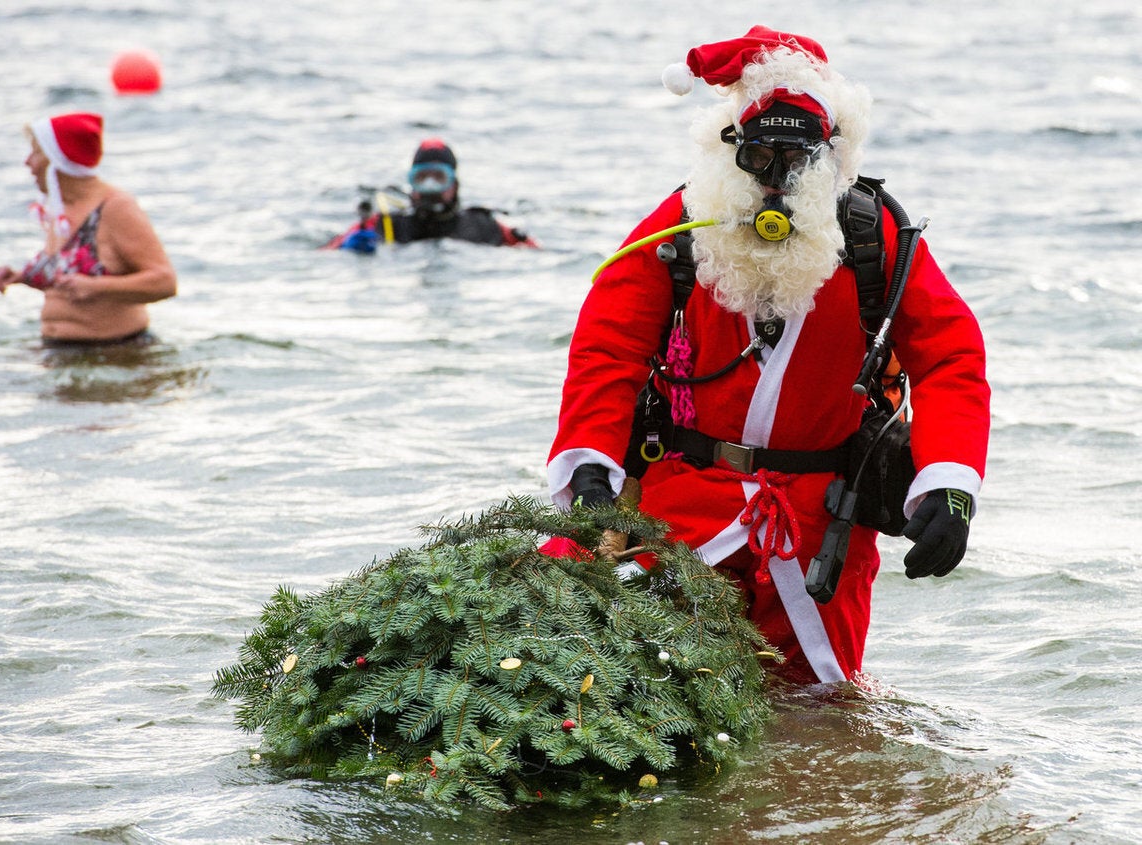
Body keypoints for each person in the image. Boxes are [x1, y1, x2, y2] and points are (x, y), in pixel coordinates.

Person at [547, 27, 991, 686]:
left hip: (818, 526)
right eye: (762, 155)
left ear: (830, 153)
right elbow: (607, 350)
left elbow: (950, 355)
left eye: (799, 155)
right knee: (613, 675)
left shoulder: (876, 240)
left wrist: (950, 484)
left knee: (822, 715)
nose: (779, 177)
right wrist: (589, 469)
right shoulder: (679, 231)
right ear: (733, 151)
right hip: (680, 506)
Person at [0, 112, 177, 344]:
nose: (27, 162)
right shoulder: (60, 208)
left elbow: (165, 281)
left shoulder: (116, 207)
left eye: (36, 152)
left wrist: (97, 287)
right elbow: (68, 279)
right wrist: (24, 277)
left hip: (116, 355)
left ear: (58, 160)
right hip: (60, 353)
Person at [323, 138, 537, 252]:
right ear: (411, 182)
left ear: (454, 183)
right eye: (422, 177)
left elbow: (537, 253)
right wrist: (348, 247)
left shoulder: (485, 225)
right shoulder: (385, 224)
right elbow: (325, 252)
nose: (430, 187)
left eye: (439, 178)